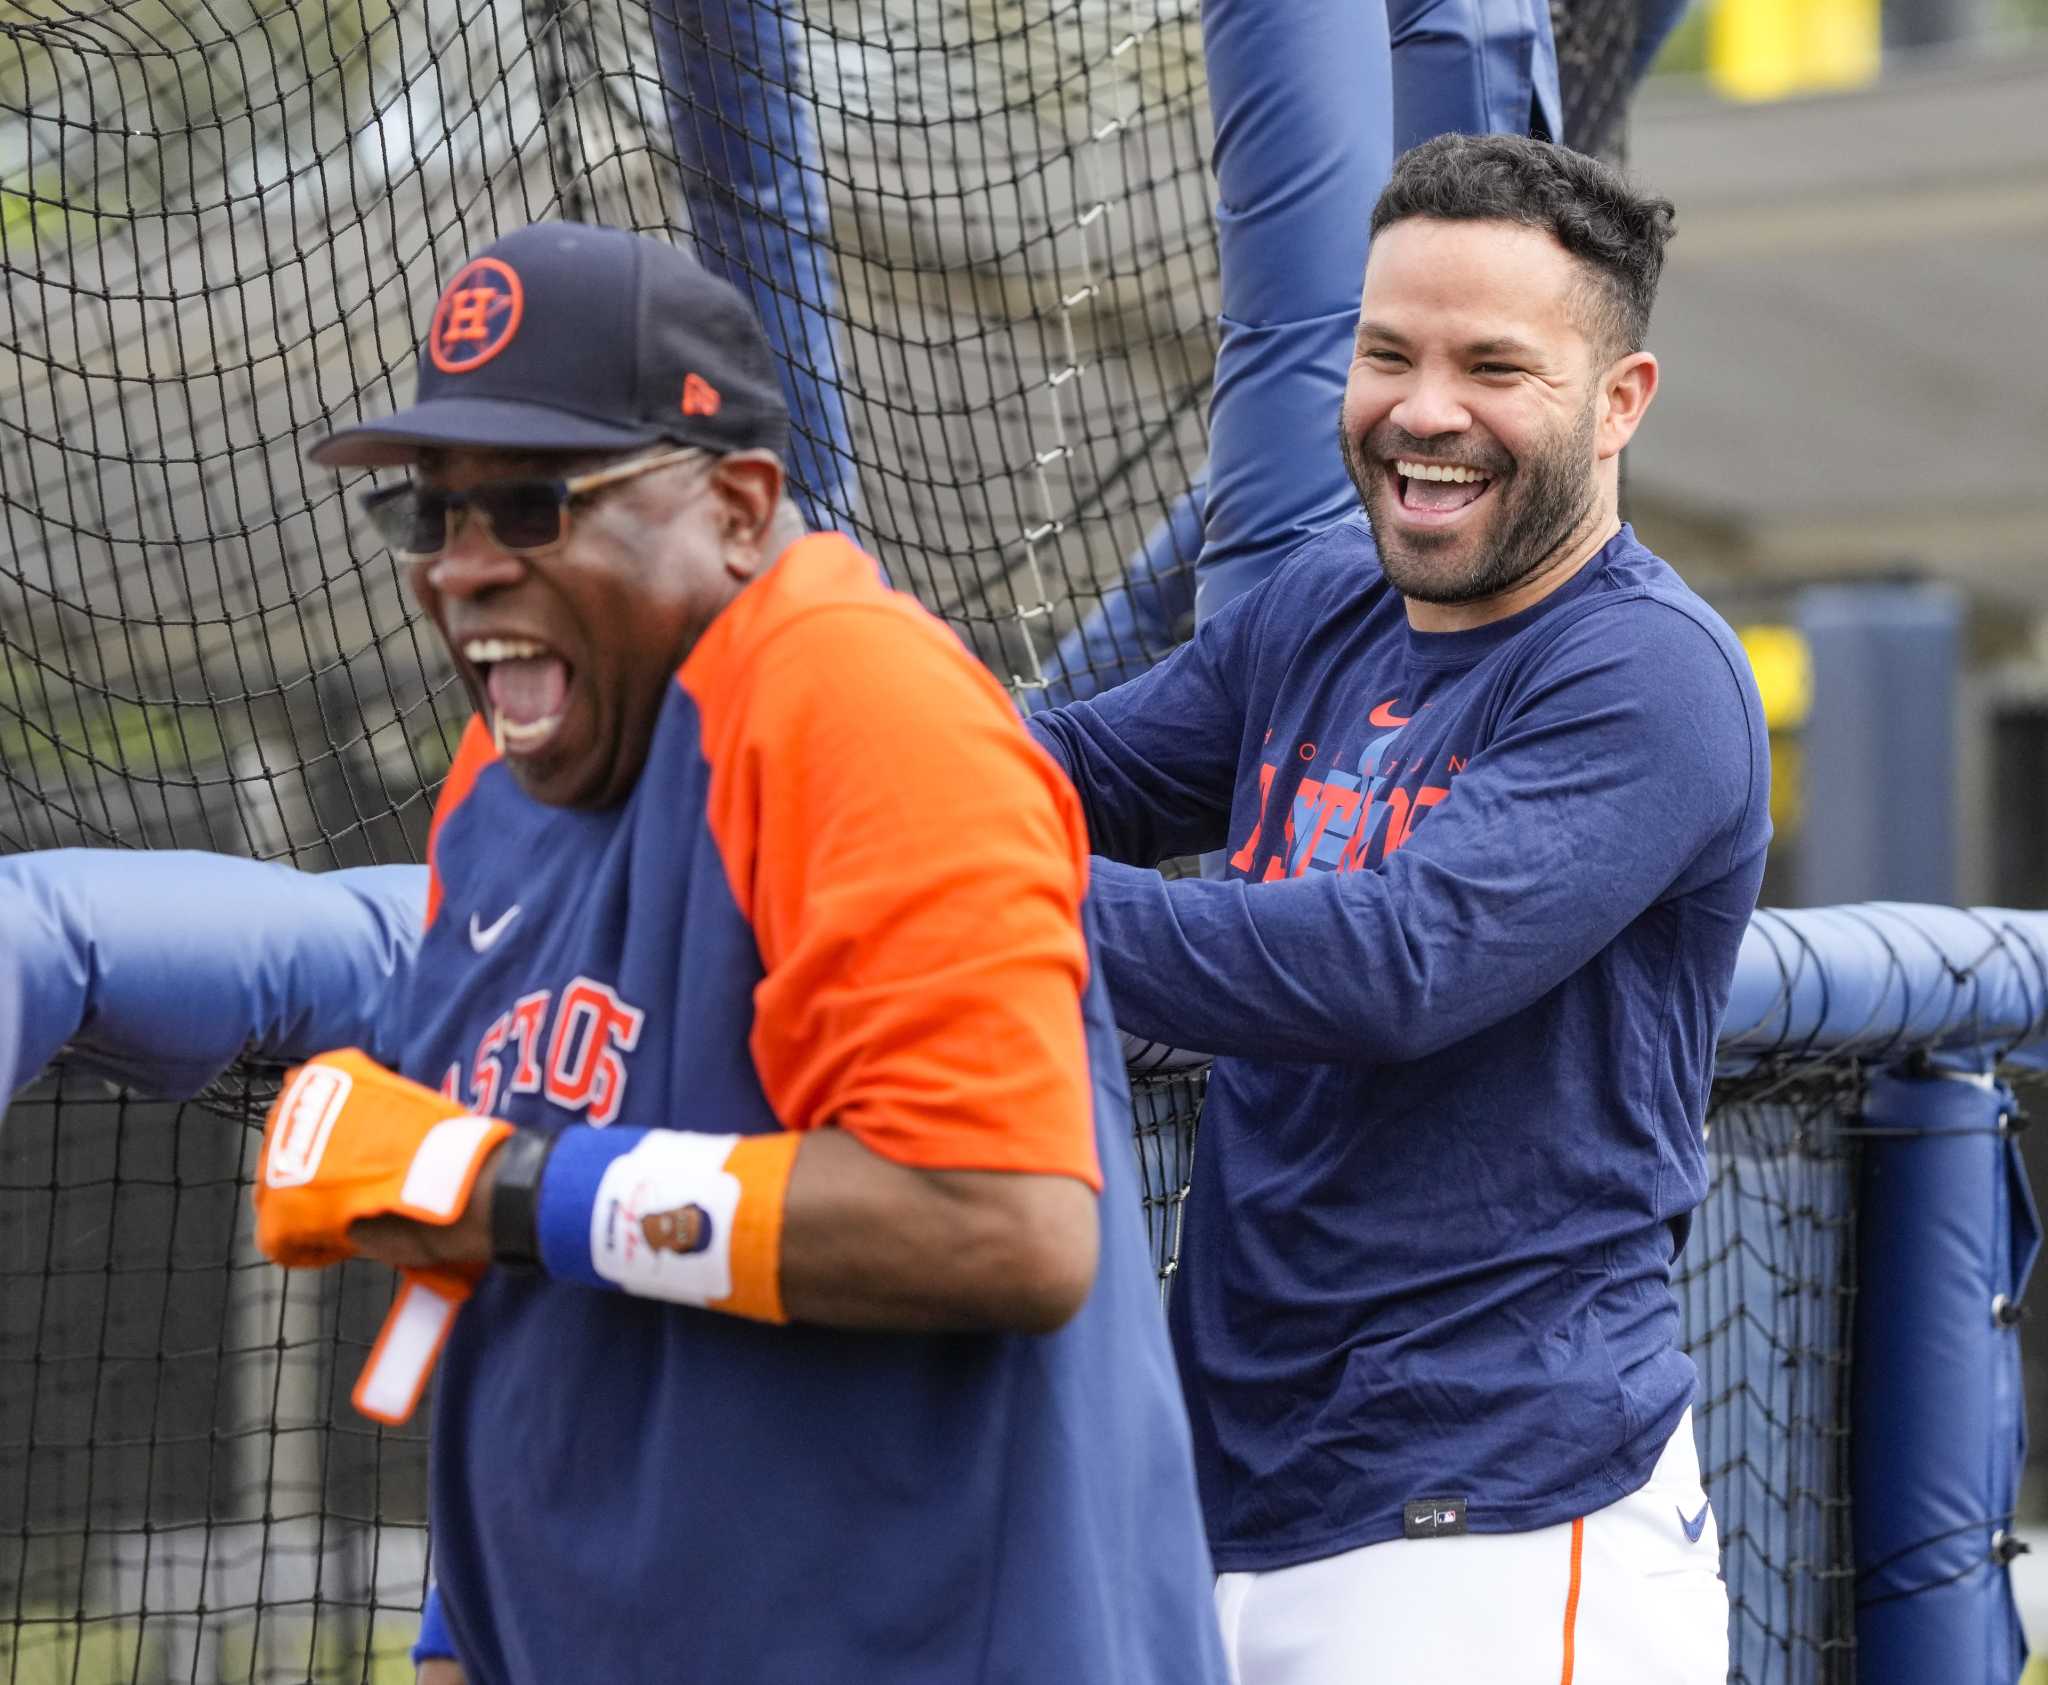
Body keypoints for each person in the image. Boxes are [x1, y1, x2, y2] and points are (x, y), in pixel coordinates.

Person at [232, 220, 1225, 1684]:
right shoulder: (497, 781)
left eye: (531, 502)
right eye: (429, 514)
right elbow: (515, 1299)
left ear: (741, 506)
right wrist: (456, 1639)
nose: (464, 565)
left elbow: (1005, 1221)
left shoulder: (853, 693)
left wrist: (502, 1185)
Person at [1025, 132, 1768, 1683]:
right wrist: (847, 743)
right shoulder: (1326, 595)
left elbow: (1387, 965)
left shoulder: (1650, 674)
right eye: (1387, 354)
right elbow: (1072, 765)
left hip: (1495, 1527)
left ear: (1619, 400)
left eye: (1493, 365)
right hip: (1236, 1491)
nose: (1423, 411)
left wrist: (953, 884)